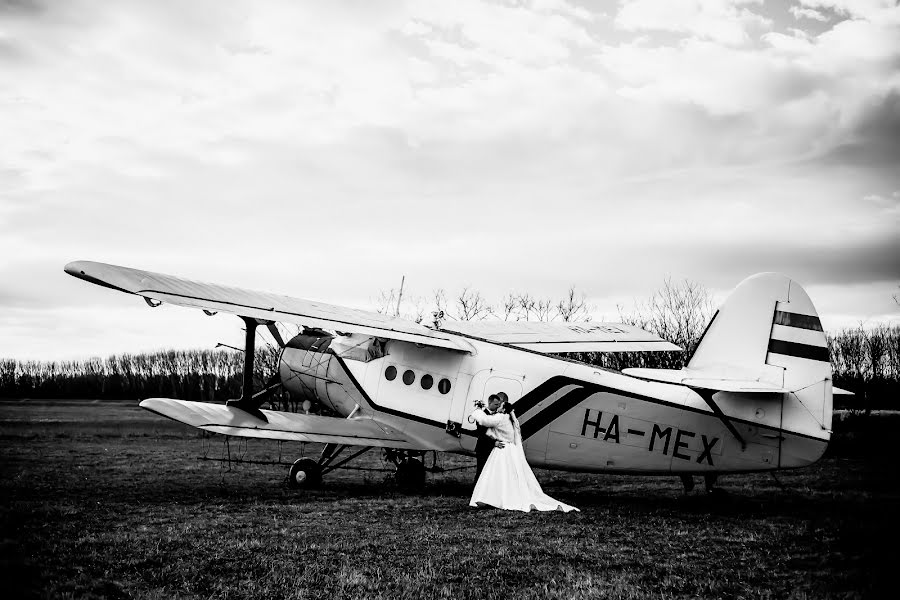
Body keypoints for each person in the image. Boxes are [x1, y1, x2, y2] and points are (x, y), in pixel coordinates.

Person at [469, 398, 579, 513]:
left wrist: (476, 411)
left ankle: (493, 497)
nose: (498, 408)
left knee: (496, 473)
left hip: (502, 448)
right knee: (506, 474)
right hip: (509, 448)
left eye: (500, 406)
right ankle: (498, 497)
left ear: (504, 409)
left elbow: (484, 421)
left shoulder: (501, 418)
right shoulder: (512, 420)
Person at [473, 393, 503, 483]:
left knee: (490, 473)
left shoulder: (496, 415)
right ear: (490, 403)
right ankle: (475, 493)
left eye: (498, 405)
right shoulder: (481, 415)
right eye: (496, 404)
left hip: (492, 449)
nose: (498, 407)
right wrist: (494, 443)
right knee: (481, 471)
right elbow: (482, 434)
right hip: (483, 448)